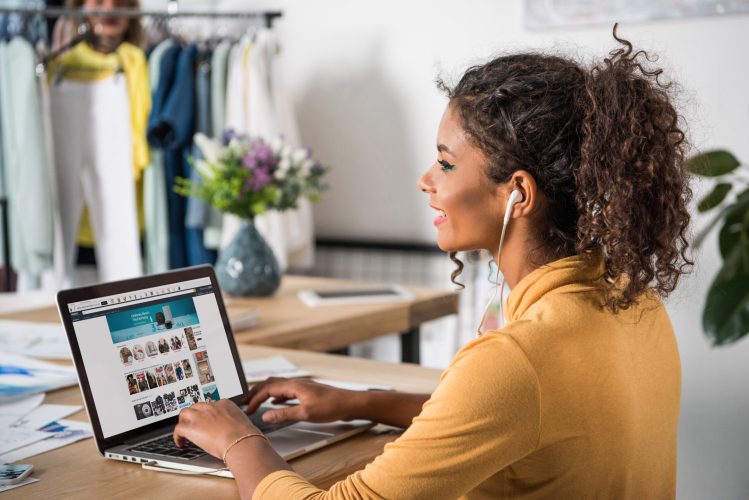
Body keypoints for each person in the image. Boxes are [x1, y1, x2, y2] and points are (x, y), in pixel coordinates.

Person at [172, 28, 691, 499]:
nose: (427, 179)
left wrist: (237, 438)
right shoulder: (635, 302)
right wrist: (360, 401)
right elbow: (509, 414)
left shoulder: (517, 361)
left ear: (518, 194)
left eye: (445, 163)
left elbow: (506, 395)